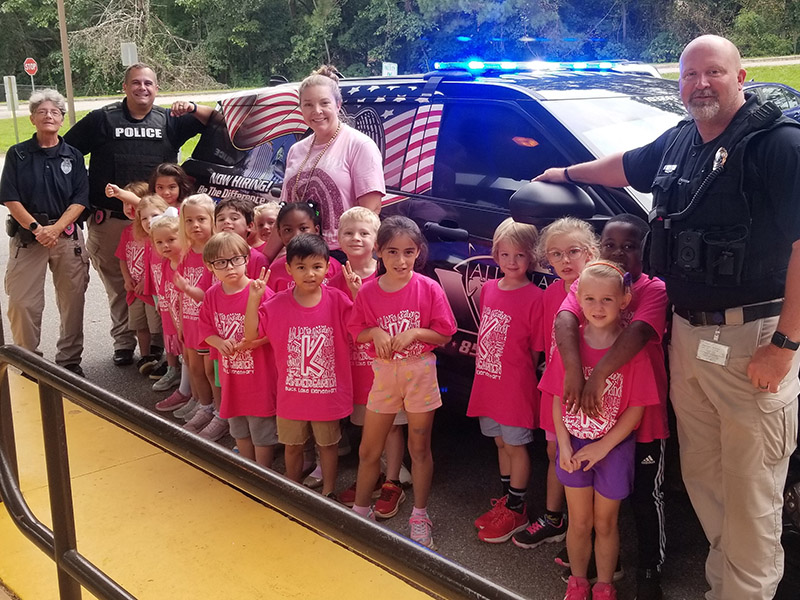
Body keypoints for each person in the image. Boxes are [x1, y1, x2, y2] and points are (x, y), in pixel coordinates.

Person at [535, 34, 800, 600]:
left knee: (752, 489)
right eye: (690, 75)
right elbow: (623, 166)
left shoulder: (779, 145)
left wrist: (785, 344)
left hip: (754, 337)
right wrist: (564, 173)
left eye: (714, 72)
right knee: (704, 478)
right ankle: (724, 589)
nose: (701, 84)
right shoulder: (681, 139)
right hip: (689, 334)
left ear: (741, 77)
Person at [64, 62, 212, 366]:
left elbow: (216, 120)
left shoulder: (169, 121)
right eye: (135, 82)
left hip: (160, 226)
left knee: (160, 284)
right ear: (124, 87)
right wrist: (82, 198)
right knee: (121, 287)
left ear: (157, 89)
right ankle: (123, 342)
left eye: (148, 83)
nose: (142, 88)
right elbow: (67, 153)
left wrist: (193, 106)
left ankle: (158, 345)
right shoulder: (101, 119)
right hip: (111, 221)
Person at [555, 215, 669, 598]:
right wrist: (575, 371)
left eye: (629, 246)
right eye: (610, 244)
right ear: (598, 248)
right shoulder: (589, 283)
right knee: (586, 511)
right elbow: (565, 318)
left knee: (642, 498)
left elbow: (639, 332)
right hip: (584, 425)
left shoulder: (651, 289)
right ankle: (592, 568)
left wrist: (597, 375)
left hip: (637, 416)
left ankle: (649, 567)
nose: (618, 252)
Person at [348, 216, 457, 549]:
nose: (400, 260)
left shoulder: (428, 288)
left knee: (419, 448)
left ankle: (420, 516)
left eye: (408, 252)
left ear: (418, 252)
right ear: (379, 251)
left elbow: (445, 333)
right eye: (392, 252)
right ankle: (360, 513)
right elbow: (357, 331)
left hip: (420, 374)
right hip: (384, 376)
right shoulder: (369, 291)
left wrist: (416, 333)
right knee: (369, 449)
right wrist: (375, 332)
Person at [244, 234, 354, 498]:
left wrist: (357, 292)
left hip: (327, 395)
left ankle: (328, 493)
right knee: (292, 446)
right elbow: (250, 335)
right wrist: (253, 299)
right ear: (289, 268)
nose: (310, 274)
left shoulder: (338, 300)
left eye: (317, 266)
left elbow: (361, 327)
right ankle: (292, 491)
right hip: (291, 395)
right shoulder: (277, 304)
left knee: (327, 446)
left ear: (327, 267)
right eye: (301, 267)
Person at [511, 218, 597, 551]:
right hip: (556, 391)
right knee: (555, 452)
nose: (565, 260)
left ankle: (584, 531)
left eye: (573, 251)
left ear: (590, 253)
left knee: (586, 457)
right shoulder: (550, 294)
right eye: (556, 254)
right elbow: (547, 346)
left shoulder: (599, 293)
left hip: (590, 394)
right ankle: (553, 518)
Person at [0, 89, 90, 376]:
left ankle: (69, 361)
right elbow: (10, 197)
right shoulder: (18, 154)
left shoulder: (74, 156)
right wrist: (37, 229)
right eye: (42, 112)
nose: (49, 116)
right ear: (32, 119)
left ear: (62, 119)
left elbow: (81, 198)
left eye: (54, 112)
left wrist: (57, 228)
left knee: (72, 301)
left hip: (66, 237)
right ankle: (30, 362)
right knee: (22, 302)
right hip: (29, 237)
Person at [467, 217, 543, 544]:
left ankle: (517, 508)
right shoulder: (488, 289)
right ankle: (506, 500)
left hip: (514, 386)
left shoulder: (535, 297)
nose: (512, 262)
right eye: (505, 254)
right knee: (500, 442)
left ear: (531, 257)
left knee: (516, 445)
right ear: (496, 254)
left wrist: (521, 376)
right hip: (489, 382)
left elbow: (537, 348)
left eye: (520, 255)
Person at [332, 207, 411, 518]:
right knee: (367, 426)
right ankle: (375, 477)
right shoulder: (331, 278)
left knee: (392, 428)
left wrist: (358, 294)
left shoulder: (387, 275)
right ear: (337, 238)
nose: (356, 238)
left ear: (377, 242)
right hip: (354, 369)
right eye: (349, 232)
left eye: (364, 233)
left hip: (386, 370)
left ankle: (393, 482)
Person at [267, 65, 385, 260]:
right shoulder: (296, 150)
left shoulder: (359, 146)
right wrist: (264, 260)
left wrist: (356, 263)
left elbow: (370, 212)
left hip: (343, 256)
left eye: (324, 103)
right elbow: (286, 213)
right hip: (301, 255)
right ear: (301, 108)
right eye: (308, 105)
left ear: (338, 105)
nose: (317, 111)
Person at [200, 232, 278, 467]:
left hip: (259, 379)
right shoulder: (212, 295)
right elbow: (205, 328)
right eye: (221, 262)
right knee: (239, 430)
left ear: (247, 259)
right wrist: (218, 342)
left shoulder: (260, 291)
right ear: (210, 266)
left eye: (236, 259)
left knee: (262, 432)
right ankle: (246, 468)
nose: (230, 267)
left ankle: (263, 474)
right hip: (231, 378)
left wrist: (256, 342)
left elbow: (277, 329)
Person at [114, 181, 163, 376]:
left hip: (150, 289)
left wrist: (145, 281)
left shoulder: (153, 234)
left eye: (132, 203)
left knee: (156, 325)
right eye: (125, 203)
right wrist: (127, 279)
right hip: (134, 290)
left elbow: (158, 262)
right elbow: (123, 258)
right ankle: (145, 355)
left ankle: (162, 354)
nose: (129, 208)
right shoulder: (127, 232)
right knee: (139, 325)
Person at [267, 202, 341, 292]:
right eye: (288, 230)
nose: (296, 235)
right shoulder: (275, 270)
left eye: (303, 228)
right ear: (279, 234)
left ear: (316, 230)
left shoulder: (334, 267)